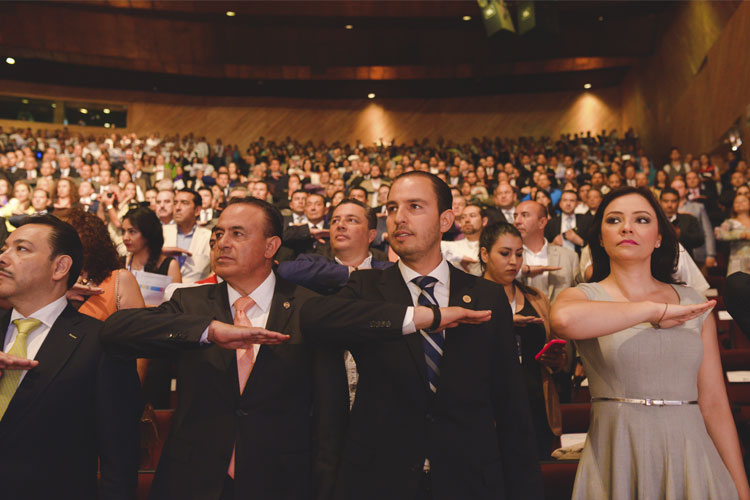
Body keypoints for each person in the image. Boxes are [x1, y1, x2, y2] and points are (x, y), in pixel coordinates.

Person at [300, 171, 543, 500]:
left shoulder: (485, 295)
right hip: (381, 479)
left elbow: (510, 402)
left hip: (469, 478)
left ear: (445, 220)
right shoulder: (367, 286)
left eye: (414, 206)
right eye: (391, 208)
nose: (398, 218)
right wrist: (421, 316)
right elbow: (314, 318)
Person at [100, 197, 349, 500]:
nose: (222, 243)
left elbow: (330, 419)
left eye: (237, 234)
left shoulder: (310, 308)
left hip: (282, 481)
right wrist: (207, 330)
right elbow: (117, 330)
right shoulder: (190, 303)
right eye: (218, 234)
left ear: (271, 247)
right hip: (193, 480)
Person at [550, 186, 750, 500]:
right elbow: (563, 320)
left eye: (641, 219)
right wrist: (653, 310)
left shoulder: (691, 300)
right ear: (601, 237)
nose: (627, 227)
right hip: (617, 454)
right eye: (614, 220)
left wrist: (741, 487)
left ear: (659, 237)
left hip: (692, 455)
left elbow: (714, 404)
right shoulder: (582, 295)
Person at [0, 214, 140, 498]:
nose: (3, 257)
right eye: (5, 248)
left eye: (21, 249)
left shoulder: (100, 344)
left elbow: (119, 462)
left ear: (60, 267)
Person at [479, 221, 564, 458]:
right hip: (488, 409)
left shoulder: (536, 298)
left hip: (535, 405)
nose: (514, 262)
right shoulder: (467, 300)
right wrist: (504, 323)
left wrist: (555, 359)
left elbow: (557, 358)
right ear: (485, 254)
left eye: (519, 254)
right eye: (505, 254)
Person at [278, 199, 392, 294]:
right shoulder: (313, 263)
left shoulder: (389, 271)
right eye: (335, 221)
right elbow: (285, 270)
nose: (340, 225)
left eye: (351, 220)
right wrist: (350, 272)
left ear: (371, 235)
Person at [514, 200, 579, 302]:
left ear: (542, 222)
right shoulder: (508, 257)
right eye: (515, 216)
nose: (517, 221)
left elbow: (579, 295)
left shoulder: (569, 257)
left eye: (524, 215)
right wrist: (522, 271)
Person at [123, 205, 182, 296]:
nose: (125, 238)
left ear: (148, 233)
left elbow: (176, 305)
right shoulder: (122, 263)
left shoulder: (169, 265)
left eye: (132, 232)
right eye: (123, 231)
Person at [162, 189, 212, 283]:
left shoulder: (208, 237)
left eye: (184, 203)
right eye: (175, 203)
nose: (178, 207)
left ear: (197, 210)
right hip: (163, 294)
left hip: (196, 294)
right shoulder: (161, 232)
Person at [440, 203, 487, 275]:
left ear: (484, 221)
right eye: (463, 217)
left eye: (472, 216)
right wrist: (459, 258)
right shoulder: (450, 247)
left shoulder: (490, 247)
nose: (467, 220)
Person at [545, 190, 592, 257]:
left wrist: (581, 242)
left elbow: (595, 245)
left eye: (572, 200)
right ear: (560, 203)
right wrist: (553, 244)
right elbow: (543, 246)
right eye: (565, 200)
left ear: (577, 204)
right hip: (558, 260)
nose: (568, 204)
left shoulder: (587, 220)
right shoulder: (551, 223)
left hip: (580, 260)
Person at [715, 192, 750, 276]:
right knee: (737, 285)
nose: (740, 203)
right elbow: (719, 234)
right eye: (737, 202)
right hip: (737, 262)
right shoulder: (730, 222)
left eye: (743, 201)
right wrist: (740, 235)